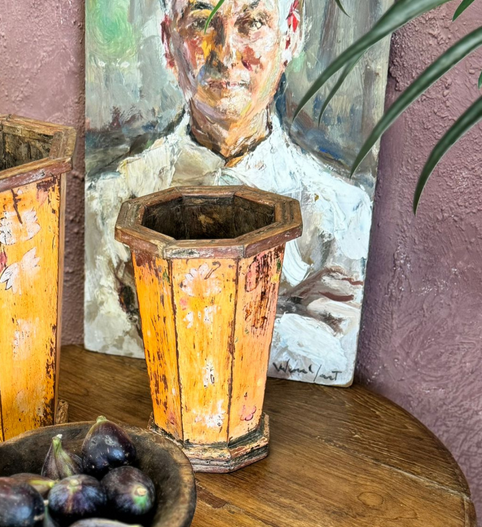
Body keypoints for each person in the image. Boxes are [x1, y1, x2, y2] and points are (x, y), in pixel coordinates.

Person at [85, 0, 372, 385]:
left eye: (252, 23)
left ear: (290, 34)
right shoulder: (109, 203)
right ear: (168, 40)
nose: (225, 53)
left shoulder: (343, 213)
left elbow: (331, 360)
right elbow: (110, 354)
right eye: (203, 23)